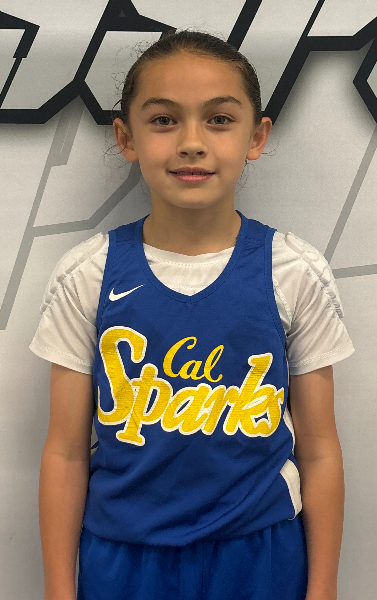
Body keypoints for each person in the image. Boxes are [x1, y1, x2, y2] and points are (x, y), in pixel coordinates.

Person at [31, 29, 355, 600]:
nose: (191, 142)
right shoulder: (87, 274)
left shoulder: (294, 271)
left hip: (261, 554)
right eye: (164, 120)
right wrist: (59, 589)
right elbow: (64, 451)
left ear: (257, 136)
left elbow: (321, 448)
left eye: (219, 120)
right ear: (126, 138)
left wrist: (323, 586)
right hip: (123, 557)